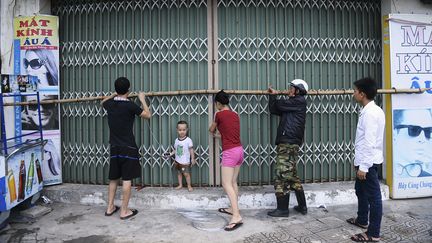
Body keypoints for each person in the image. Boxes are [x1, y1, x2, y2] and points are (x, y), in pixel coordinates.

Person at [101, 77, 151, 220]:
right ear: (129, 90)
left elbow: (102, 102)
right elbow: (147, 115)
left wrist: (113, 94)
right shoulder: (130, 105)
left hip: (114, 147)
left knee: (113, 178)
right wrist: (142, 99)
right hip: (128, 147)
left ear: (116, 90)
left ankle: (110, 207)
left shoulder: (110, 104)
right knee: (127, 179)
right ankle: (124, 211)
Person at [347, 77, 385, 242]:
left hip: (367, 163)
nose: (353, 93)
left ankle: (373, 234)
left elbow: (369, 143)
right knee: (360, 190)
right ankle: (362, 220)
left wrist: (363, 167)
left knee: (374, 198)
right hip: (365, 160)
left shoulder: (370, 113)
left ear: (362, 94)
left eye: (355, 91)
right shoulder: (373, 110)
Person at [267, 79, 308, 217]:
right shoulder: (292, 104)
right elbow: (274, 109)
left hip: (288, 142)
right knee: (292, 176)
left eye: (292, 88)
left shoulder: (298, 101)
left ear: (298, 91)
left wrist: (276, 94)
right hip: (289, 142)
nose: (289, 90)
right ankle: (302, 206)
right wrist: (273, 96)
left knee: (282, 174)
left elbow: (279, 104)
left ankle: (283, 209)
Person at [209, 90, 244, 231]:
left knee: (226, 184)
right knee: (233, 182)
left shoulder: (218, 114)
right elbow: (228, 133)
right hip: (240, 150)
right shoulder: (235, 115)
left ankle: (236, 216)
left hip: (229, 152)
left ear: (218, 103)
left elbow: (211, 129)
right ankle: (233, 208)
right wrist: (221, 135)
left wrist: (214, 128)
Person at [393, 109, 432, 177]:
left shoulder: (428, 179)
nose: (422, 139)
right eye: (414, 130)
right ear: (394, 133)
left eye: (427, 131)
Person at [166, 121, 197, 192]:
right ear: (177, 130)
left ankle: (189, 185)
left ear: (187, 130)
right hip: (177, 161)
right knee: (179, 173)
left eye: (184, 130)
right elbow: (175, 150)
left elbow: (191, 150)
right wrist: (170, 154)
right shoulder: (176, 140)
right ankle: (180, 184)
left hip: (185, 161)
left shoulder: (188, 140)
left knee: (186, 174)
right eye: (180, 130)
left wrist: (192, 158)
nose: (182, 132)